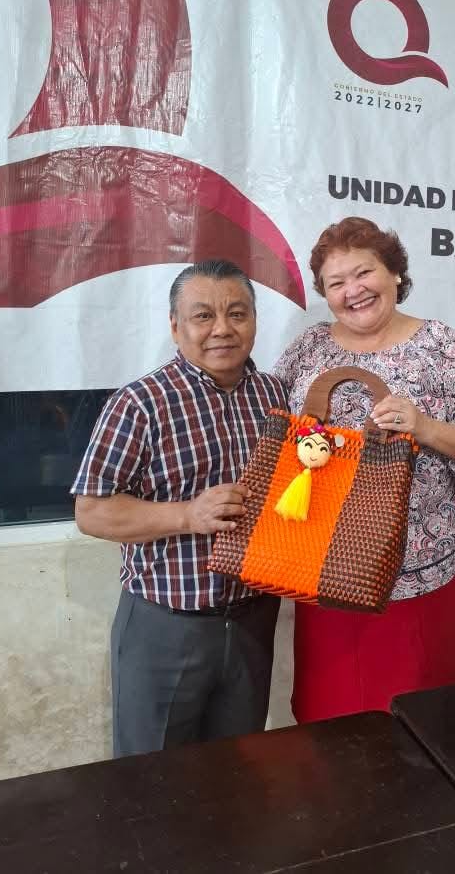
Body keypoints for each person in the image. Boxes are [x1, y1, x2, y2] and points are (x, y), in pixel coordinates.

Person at [273, 217, 455, 722]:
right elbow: (275, 435)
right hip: (322, 573)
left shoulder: (441, 347)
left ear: (394, 273)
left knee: (413, 721)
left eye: (364, 272)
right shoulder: (308, 349)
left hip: (417, 579)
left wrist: (424, 427)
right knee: (328, 718)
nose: (353, 290)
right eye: (336, 283)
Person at [72, 260, 287, 757]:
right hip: (166, 626)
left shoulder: (275, 396)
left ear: (255, 320)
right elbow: (91, 511)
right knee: (152, 778)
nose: (222, 329)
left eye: (237, 313)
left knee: (237, 770)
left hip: (254, 620)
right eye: (203, 315)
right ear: (175, 326)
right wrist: (187, 515)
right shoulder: (140, 403)